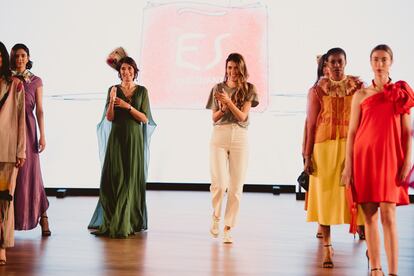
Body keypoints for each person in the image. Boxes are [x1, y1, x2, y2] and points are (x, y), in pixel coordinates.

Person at [342, 44, 414, 276]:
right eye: (375, 59)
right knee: (370, 216)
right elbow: (352, 132)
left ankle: (393, 271)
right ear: (370, 62)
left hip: (391, 160)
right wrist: (348, 166)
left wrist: (408, 161)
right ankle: (375, 268)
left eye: (384, 59)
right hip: (364, 160)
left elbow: (406, 132)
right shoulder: (361, 95)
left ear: (391, 62)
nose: (379, 64)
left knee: (389, 215)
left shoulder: (401, 94)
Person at [303, 47, 365, 268]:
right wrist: (307, 154)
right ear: (326, 65)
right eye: (333, 62)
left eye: (340, 61)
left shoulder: (358, 88)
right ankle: (328, 248)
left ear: (346, 62)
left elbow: (365, 120)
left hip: (350, 147)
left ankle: (363, 230)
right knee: (325, 197)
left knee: (353, 192)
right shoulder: (317, 90)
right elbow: (311, 124)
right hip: (324, 148)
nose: (337, 65)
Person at [88, 56, 156, 238]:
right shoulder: (113, 90)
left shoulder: (142, 91)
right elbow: (109, 118)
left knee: (130, 180)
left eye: (129, 69)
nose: (126, 72)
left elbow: (145, 119)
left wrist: (127, 107)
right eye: (123, 69)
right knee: (114, 178)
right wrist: (111, 101)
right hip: (117, 139)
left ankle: (127, 220)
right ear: (119, 72)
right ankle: (114, 218)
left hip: (133, 140)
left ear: (135, 71)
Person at [206, 53, 259, 244]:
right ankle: (216, 216)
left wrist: (229, 103)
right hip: (219, 135)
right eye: (229, 67)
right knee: (220, 184)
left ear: (242, 69)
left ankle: (228, 228)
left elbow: (243, 117)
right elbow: (214, 117)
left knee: (236, 187)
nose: (232, 72)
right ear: (225, 68)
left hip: (240, 136)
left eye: (236, 68)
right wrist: (223, 108)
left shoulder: (249, 89)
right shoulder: (217, 88)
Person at [10, 43, 50, 236]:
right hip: (9, 130)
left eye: (23, 56)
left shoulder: (36, 80)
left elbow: (40, 110)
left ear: (28, 58)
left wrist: (42, 134)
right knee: (11, 176)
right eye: (16, 56)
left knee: (32, 173)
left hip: (28, 128)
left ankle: (43, 217)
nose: (19, 59)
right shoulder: (6, 79)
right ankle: (8, 223)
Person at [0, 41, 26, 265]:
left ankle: (2, 246)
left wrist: (21, 150)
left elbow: (20, 119)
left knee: (5, 200)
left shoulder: (15, 84)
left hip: (7, 151)